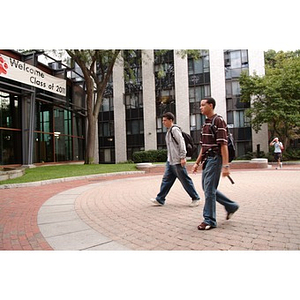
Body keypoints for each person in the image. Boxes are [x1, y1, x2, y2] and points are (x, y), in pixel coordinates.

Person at [192, 97, 239, 230]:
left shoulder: (218, 121)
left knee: (209, 190)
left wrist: (226, 166)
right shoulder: (206, 123)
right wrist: (197, 163)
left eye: (203, 105)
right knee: (207, 188)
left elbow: (223, 145)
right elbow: (204, 146)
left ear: (211, 105)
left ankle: (209, 220)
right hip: (207, 160)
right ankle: (231, 206)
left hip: (215, 159)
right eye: (200, 105)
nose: (200, 107)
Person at [151, 112, 200, 207]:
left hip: (177, 161)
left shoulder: (175, 130)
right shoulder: (169, 131)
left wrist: (182, 157)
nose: (163, 122)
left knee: (185, 180)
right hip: (170, 161)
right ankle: (160, 199)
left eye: (165, 120)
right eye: (162, 121)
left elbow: (181, 143)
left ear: (171, 120)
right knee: (166, 180)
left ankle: (195, 198)